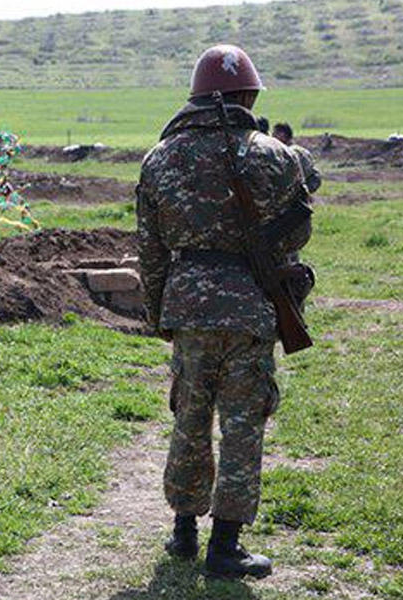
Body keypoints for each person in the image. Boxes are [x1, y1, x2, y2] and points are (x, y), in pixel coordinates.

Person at [136, 45, 313, 579]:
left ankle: (183, 532)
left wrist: (159, 314)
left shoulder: (159, 159)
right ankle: (226, 546)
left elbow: (151, 251)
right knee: (242, 426)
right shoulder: (276, 157)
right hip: (251, 309)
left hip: (187, 305)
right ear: (248, 96)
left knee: (189, 419)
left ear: (194, 97)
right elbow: (297, 234)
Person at [273, 122, 322, 194]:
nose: (273, 137)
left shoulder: (291, 152)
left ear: (283, 135)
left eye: (275, 134)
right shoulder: (299, 150)